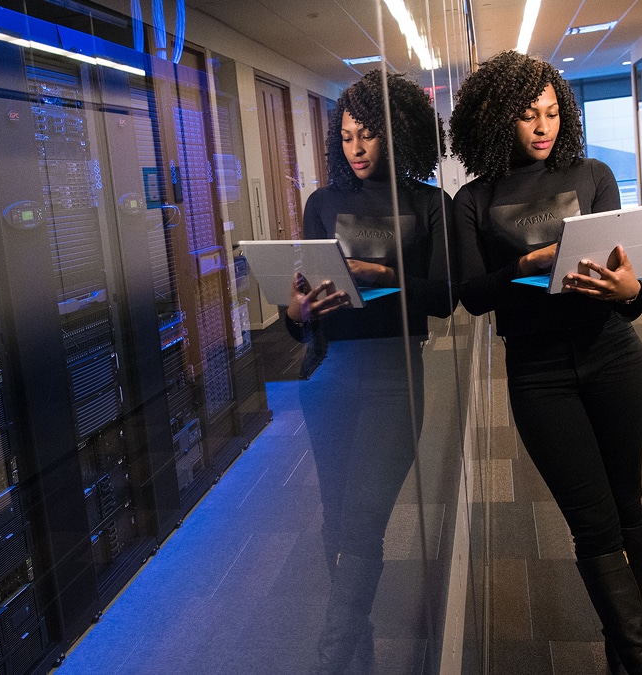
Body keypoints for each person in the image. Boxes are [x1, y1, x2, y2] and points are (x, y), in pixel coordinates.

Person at [448, 50, 642, 675]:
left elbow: (624, 289)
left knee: (627, 507)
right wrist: (526, 266)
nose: (542, 127)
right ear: (495, 119)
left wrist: (635, 294)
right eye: (527, 116)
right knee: (593, 524)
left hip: (613, 357)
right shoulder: (475, 198)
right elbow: (472, 295)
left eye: (550, 113)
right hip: (538, 374)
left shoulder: (593, 174)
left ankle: (622, 655)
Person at [283, 69, 451, 674]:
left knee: (365, 515)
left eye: (369, 135)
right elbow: (299, 312)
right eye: (348, 135)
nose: (356, 148)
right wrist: (297, 312)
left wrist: (383, 277)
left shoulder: (429, 203)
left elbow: (445, 298)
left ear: (398, 134)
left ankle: (332, 655)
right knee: (338, 516)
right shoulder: (322, 204)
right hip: (328, 375)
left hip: (393, 377)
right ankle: (355, 637)